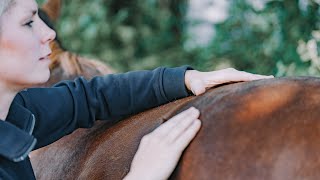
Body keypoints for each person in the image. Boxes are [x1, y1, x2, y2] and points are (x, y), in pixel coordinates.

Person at [0, 0, 273, 179]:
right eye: (28, 22)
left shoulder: (19, 110)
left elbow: (90, 98)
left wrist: (184, 79)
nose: (49, 33)